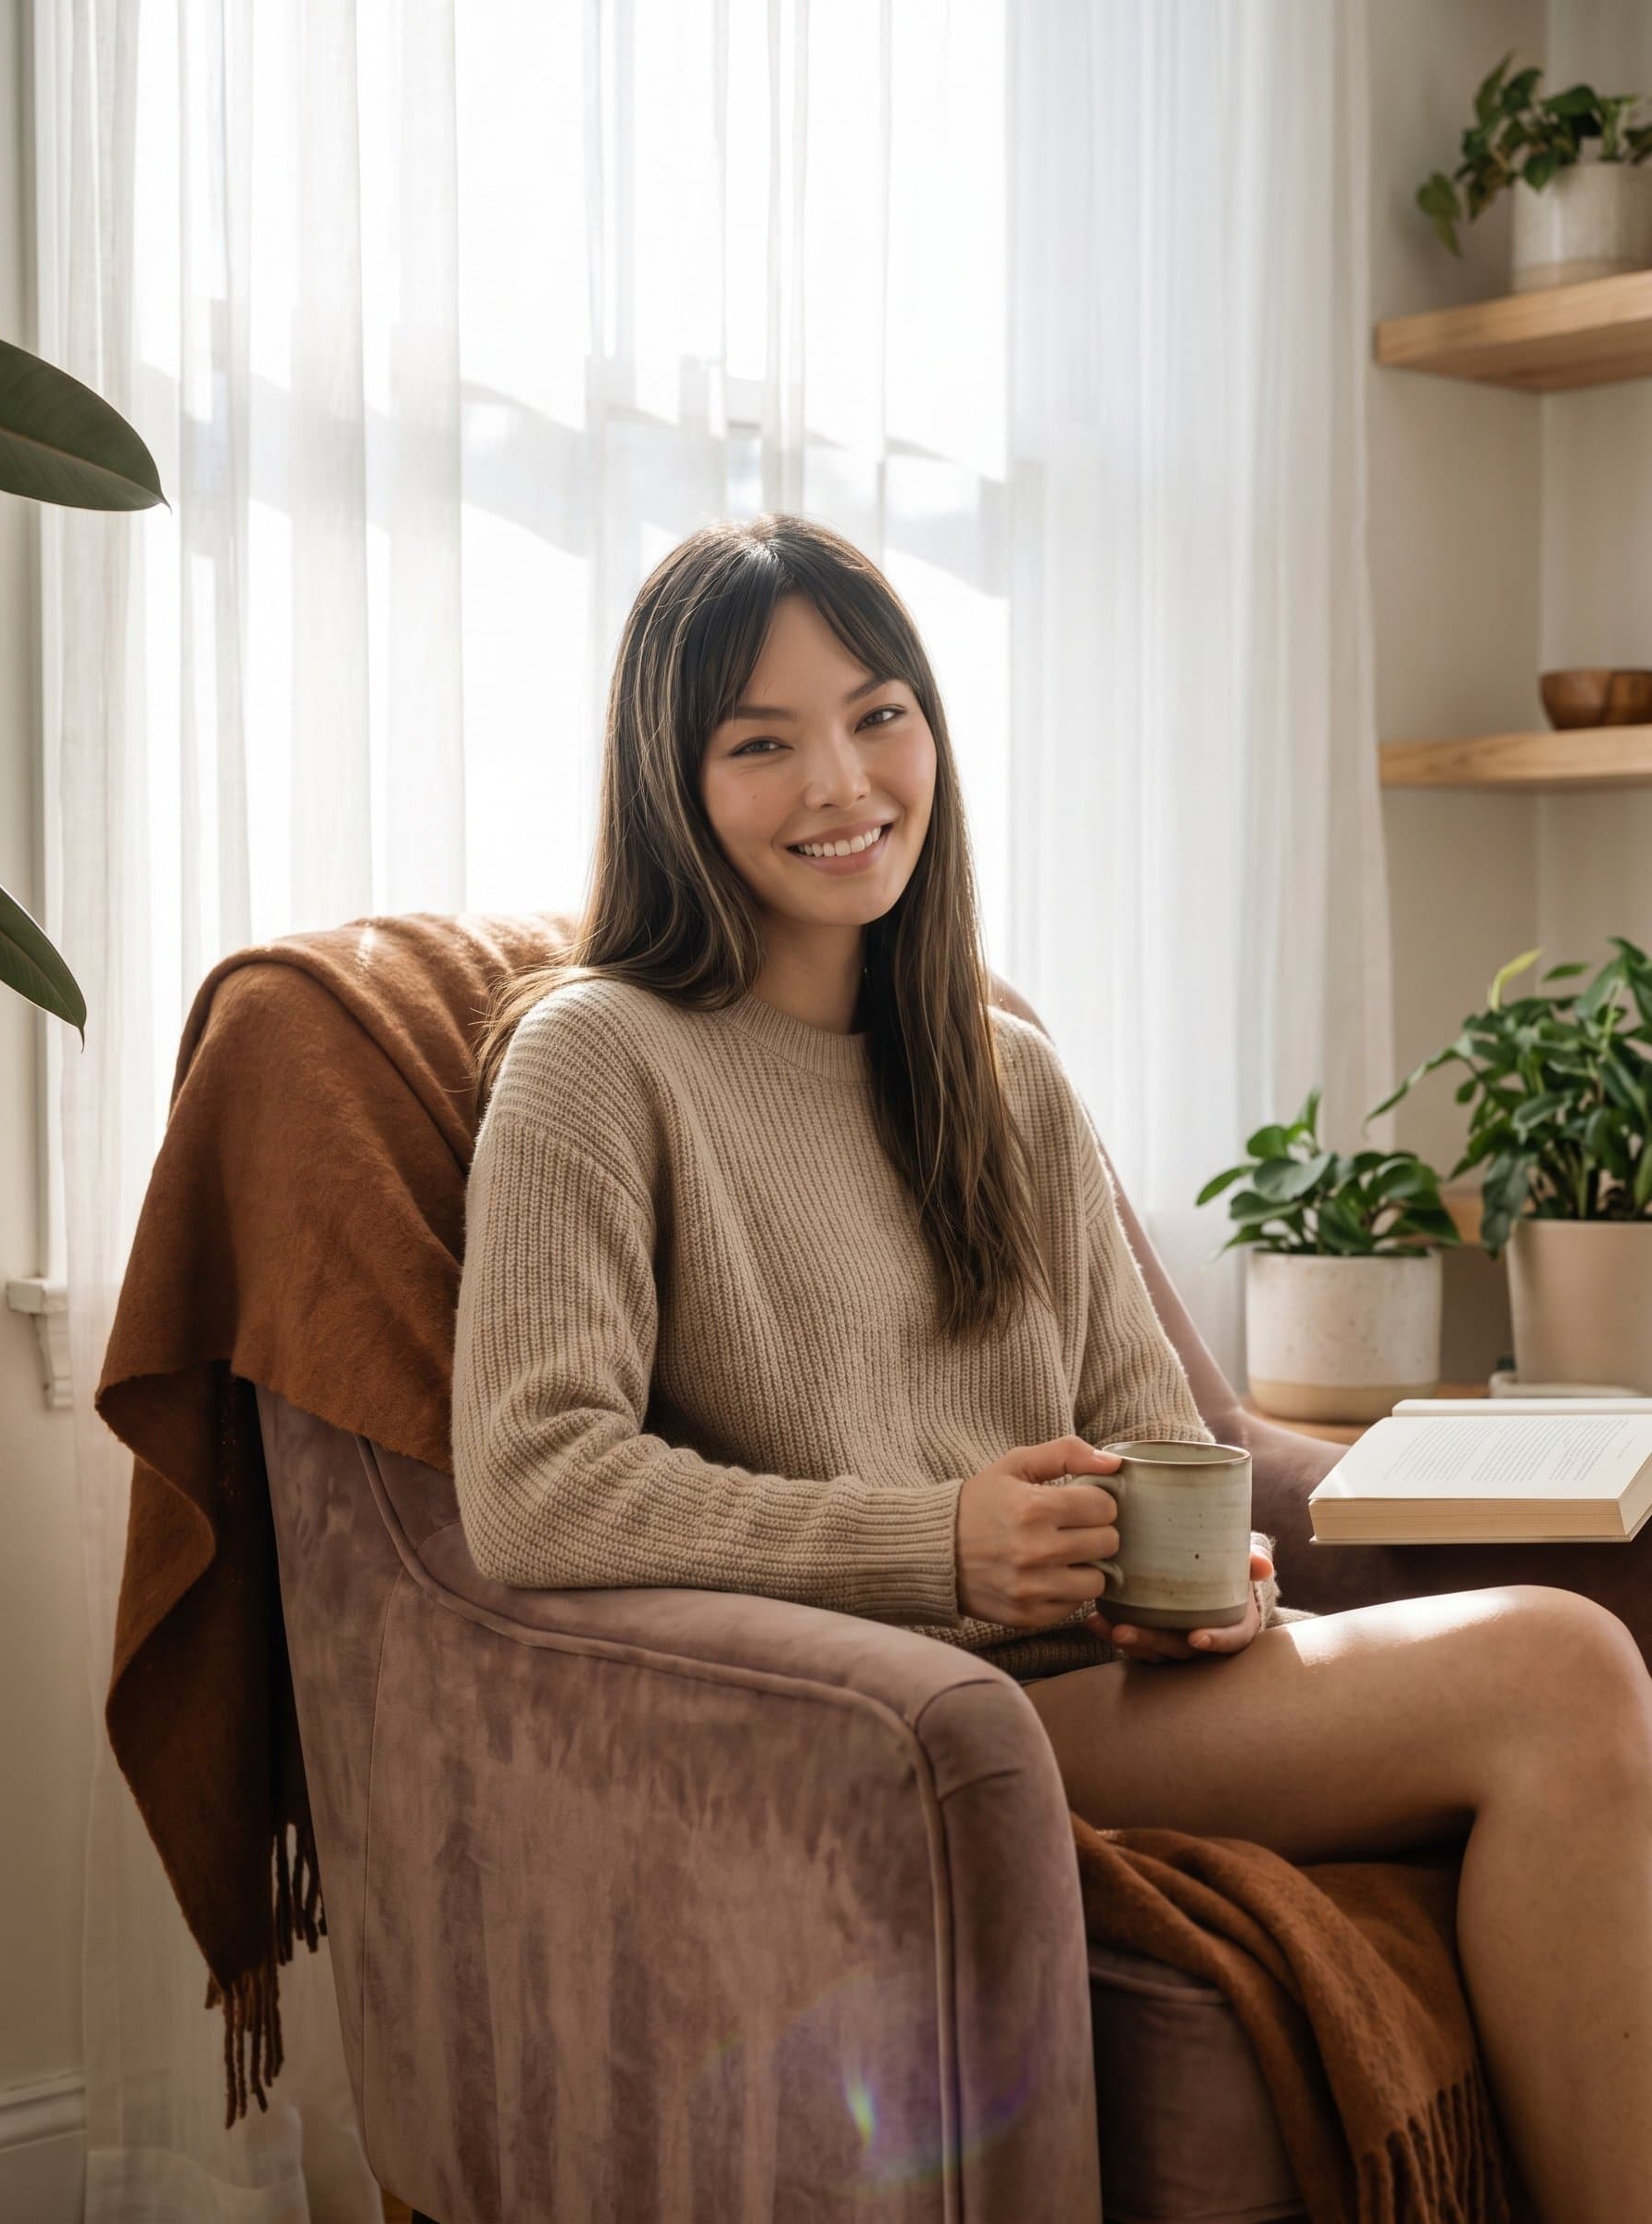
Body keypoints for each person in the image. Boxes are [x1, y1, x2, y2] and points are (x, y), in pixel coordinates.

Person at [453, 512, 1652, 2223]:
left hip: (1119, 1683)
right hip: (925, 1719)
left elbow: (1156, 1431)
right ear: (672, 782)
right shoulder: (596, 1061)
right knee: (1562, 1668)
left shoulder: (1004, 1074)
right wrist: (937, 1541)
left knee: (1566, 1663)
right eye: (759, 743)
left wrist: (1212, 1577)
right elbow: (533, 1485)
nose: (840, 782)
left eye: (878, 714)